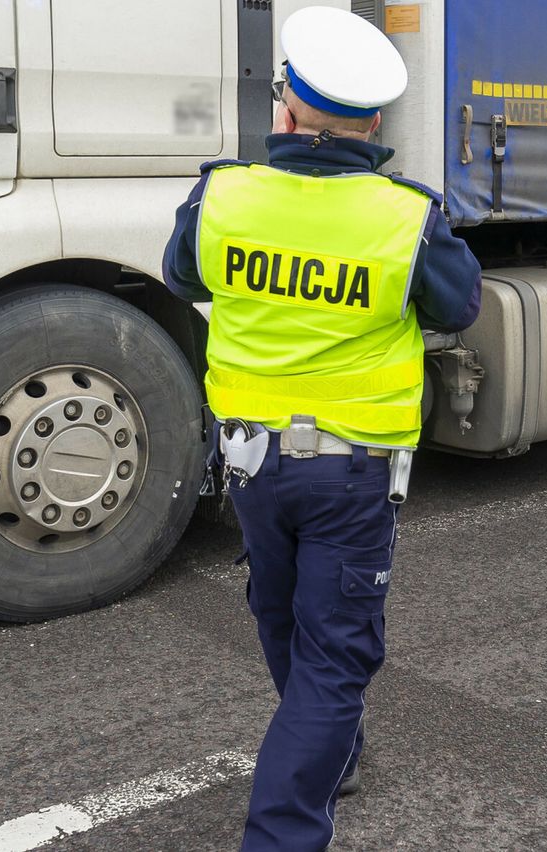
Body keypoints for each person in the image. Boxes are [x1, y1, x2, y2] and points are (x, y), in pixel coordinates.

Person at [161, 7, 481, 849]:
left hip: (252, 465)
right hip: (352, 472)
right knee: (334, 655)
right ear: (372, 124)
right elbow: (460, 306)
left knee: (278, 613)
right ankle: (284, 831)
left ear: (284, 109)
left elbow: (181, 274)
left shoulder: (223, 193)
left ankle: (331, 750)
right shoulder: (404, 216)